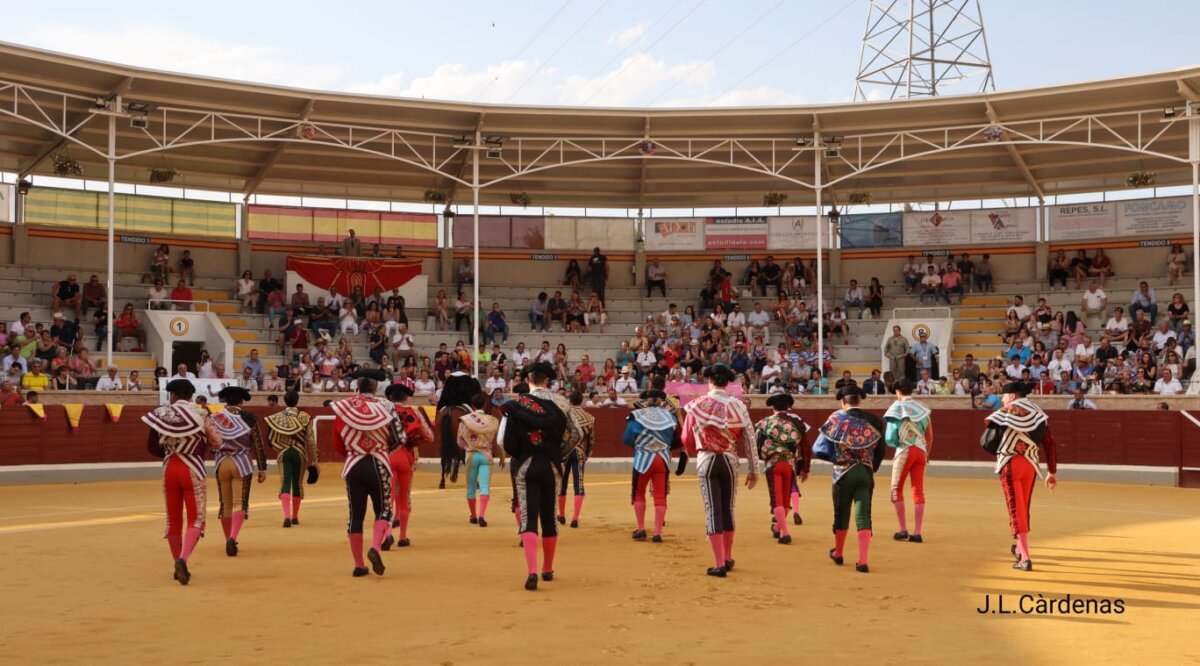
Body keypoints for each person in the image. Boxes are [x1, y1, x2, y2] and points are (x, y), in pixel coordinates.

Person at [501, 361, 576, 590]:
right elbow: (577, 433)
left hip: (525, 465)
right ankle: (547, 568)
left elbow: (508, 442)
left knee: (528, 516)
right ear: (547, 380)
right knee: (549, 516)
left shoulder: (517, 404)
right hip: (551, 466)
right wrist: (558, 453)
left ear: (528, 380)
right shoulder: (562, 402)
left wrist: (519, 453)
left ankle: (532, 570)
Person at [681, 365, 759, 578]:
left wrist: (695, 450)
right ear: (728, 384)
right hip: (731, 461)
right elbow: (750, 439)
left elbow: (686, 438)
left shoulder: (697, 405)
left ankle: (718, 564)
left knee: (712, 510)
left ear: (710, 382)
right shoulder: (739, 406)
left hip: (706, 460)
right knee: (728, 509)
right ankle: (727, 557)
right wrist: (754, 470)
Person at [142, 379, 218, 585]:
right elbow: (217, 442)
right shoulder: (201, 414)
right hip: (192, 467)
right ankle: (183, 559)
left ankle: (177, 562)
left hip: (170, 469)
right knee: (196, 519)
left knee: (173, 520)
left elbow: (151, 447)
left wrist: (170, 450)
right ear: (191, 396)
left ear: (172, 395)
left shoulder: (162, 414)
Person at [980, 382, 1058, 571]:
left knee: (1016, 510)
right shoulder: (1038, 412)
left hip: (1011, 464)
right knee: (1023, 507)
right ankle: (1020, 548)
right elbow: (1049, 443)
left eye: (1004, 396)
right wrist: (1052, 472)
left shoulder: (1006, 412)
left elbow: (986, 441)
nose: (1002, 399)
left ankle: (1025, 558)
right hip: (1030, 465)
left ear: (1013, 396)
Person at [330, 370, 398, 577]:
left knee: (355, 515)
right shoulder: (385, 408)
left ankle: (359, 565)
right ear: (375, 388)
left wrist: (353, 452)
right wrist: (383, 449)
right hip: (379, 463)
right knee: (384, 510)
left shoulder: (345, 408)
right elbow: (398, 437)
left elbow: (337, 440)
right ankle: (375, 548)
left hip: (353, 464)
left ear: (357, 388)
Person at [812, 385, 886, 573]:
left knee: (842, 513)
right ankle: (863, 560)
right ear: (859, 400)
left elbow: (818, 449)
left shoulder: (837, 418)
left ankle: (838, 552)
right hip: (865, 472)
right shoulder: (874, 421)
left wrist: (837, 459)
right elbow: (881, 450)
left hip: (844, 472)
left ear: (843, 402)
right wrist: (871, 467)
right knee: (863, 515)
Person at [622, 388, 685, 542]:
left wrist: (641, 443)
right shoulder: (670, 417)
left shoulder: (636, 416)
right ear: (661, 402)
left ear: (645, 402)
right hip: (662, 459)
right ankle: (657, 533)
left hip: (643, 459)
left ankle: (641, 529)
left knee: (638, 493)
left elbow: (627, 438)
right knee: (660, 496)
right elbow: (677, 440)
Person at [211, 387, 267, 557]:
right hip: (241, 463)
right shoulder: (248, 418)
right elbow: (258, 444)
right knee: (239, 503)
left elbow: (209, 441)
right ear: (241, 401)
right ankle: (232, 538)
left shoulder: (214, 418)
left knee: (225, 504)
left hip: (221, 463)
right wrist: (262, 467)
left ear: (225, 401)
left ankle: (228, 537)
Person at [754, 394, 811, 545]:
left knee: (777, 500)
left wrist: (765, 457)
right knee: (785, 500)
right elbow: (805, 446)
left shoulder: (766, 422)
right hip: (789, 465)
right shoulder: (797, 422)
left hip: (773, 464)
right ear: (788, 407)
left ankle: (785, 533)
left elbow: (758, 445)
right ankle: (778, 527)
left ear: (773, 407)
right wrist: (805, 469)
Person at [385, 380, 434, 546]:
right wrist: (412, 442)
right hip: (406, 456)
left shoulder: (383, 412)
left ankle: (388, 533)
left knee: (387, 498)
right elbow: (429, 436)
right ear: (406, 398)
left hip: (387, 456)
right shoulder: (413, 412)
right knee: (404, 496)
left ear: (390, 397)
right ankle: (403, 537)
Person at [884, 378, 932, 543]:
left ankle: (903, 529)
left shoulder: (896, 408)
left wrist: (897, 444)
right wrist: (926, 453)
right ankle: (917, 532)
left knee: (896, 489)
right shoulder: (922, 409)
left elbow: (890, 437)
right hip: (921, 452)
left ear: (898, 392)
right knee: (918, 490)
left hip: (904, 450)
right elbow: (929, 435)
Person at [265, 391, 318, 527]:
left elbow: (271, 439)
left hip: (284, 452)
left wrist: (281, 447)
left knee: (285, 483)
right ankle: (294, 517)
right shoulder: (304, 417)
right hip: (299, 453)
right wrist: (315, 460)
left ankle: (286, 517)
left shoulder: (277, 417)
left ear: (284, 401)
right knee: (297, 485)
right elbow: (311, 440)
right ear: (297, 400)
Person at [457, 392, 502, 527]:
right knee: (484, 487)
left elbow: (459, 441)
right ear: (485, 404)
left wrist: (468, 447)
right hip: (486, 456)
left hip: (471, 455)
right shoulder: (491, 420)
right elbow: (496, 441)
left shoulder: (465, 420)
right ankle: (482, 515)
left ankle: (473, 516)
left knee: (471, 487)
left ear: (472, 405)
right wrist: (501, 456)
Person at [436, 360, 483, 488]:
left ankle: (442, 480)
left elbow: (445, 395)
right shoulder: (469, 379)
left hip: (447, 405)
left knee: (442, 439)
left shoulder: (451, 377)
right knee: (475, 418)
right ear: (467, 367)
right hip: (463, 404)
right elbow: (472, 396)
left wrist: (442, 406)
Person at [557, 391, 595, 528]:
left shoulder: (564, 415)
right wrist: (587, 454)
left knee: (562, 484)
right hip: (579, 454)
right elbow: (591, 440)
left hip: (565, 454)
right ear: (581, 401)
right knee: (579, 484)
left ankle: (561, 515)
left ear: (570, 401)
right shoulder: (589, 417)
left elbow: (559, 436)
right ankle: (575, 518)